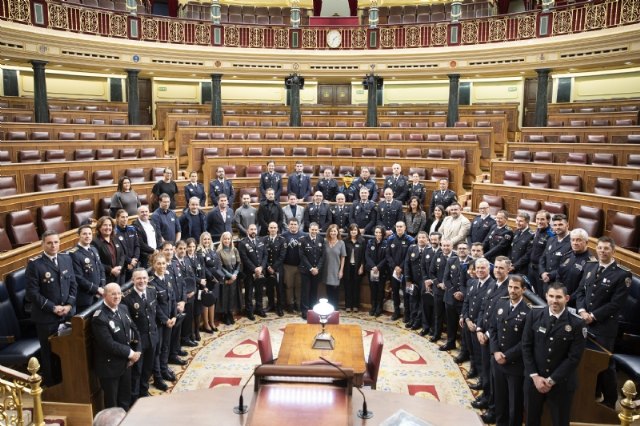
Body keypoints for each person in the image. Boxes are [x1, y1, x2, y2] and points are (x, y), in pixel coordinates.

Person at [574, 236, 630, 409]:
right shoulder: (590, 266)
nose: (602, 251)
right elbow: (581, 291)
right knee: (586, 360)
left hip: (603, 326)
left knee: (605, 364)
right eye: (599, 248)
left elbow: (616, 304)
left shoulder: (622, 275)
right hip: (585, 320)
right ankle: (592, 392)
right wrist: (582, 311)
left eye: (606, 249)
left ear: (613, 251)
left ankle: (610, 401)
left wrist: (593, 316)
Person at [522, 282, 587, 426]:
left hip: (561, 384)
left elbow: (574, 358)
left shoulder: (577, 323)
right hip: (534, 381)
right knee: (531, 420)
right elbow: (526, 346)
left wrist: (551, 380)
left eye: (559, 297)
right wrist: (535, 376)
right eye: (551, 296)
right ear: (546, 296)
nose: (554, 300)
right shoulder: (534, 314)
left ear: (567, 298)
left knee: (560, 421)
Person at [25, 230, 78, 386]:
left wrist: (69, 304)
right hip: (46, 318)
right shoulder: (35, 265)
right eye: (49, 242)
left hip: (67, 314)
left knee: (67, 351)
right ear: (43, 244)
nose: (53, 245)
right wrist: (53, 308)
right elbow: (32, 293)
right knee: (49, 354)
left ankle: (67, 383)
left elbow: (73, 284)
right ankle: (52, 386)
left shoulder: (66, 259)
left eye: (55, 242)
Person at [472, 256, 512, 423]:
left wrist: (487, 334)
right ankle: (487, 398)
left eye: (501, 268)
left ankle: (493, 410)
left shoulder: (508, 288)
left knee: (496, 380)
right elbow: (483, 308)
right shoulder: (492, 285)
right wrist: (480, 328)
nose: (497, 270)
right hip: (484, 335)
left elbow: (500, 318)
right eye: (496, 267)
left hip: (495, 340)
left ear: (509, 270)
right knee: (487, 373)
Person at [487, 275, 530, 426]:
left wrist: (507, 356)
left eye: (516, 288)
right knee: (499, 399)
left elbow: (525, 341)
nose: (512, 290)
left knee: (514, 404)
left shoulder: (528, 312)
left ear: (523, 290)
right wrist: (495, 352)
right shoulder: (501, 303)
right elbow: (492, 329)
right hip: (497, 362)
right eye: (510, 287)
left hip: (515, 365)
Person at [92, 282, 141, 410]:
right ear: (104, 296)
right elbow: (109, 344)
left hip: (126, 363)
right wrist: (131, 354)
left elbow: (134, 329)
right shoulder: (99, 317)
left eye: (119, 293)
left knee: (125, 399)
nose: (117, 296)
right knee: (112, 404)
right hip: (110, 367)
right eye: (113, 294)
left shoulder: (123, 308)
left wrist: (138, 351)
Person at [122, 268, 157, 402]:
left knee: (148, 368)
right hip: (138, 341)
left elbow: (153, 315)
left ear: (148, 279)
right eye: (138, 278)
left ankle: (144, 392)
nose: (142, 281)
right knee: (137, 372)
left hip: (152, 337)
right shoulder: (127, 298)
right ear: (133, 280)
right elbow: (130, 323)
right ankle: (135, 399)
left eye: (144, 278)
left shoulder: (152, 291)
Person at [461, 258, 495, 392]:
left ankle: (483, 381)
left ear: (489, 269)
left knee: (482, 358)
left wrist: (476, 325)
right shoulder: (472, 282)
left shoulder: (492, 285)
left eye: (483, 268)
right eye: (478, 268)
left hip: (481, 328)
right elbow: (467, 302)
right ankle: (474, 371)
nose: (480, 270)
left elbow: (488, 310)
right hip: (469, 324)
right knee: (472, 352)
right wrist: (466, 318)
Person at [148, 252, 177, 391]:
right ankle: (158, 377)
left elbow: (172, 299)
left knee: (166, 346)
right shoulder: (151, 283)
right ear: (153, 265)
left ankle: (164, 370)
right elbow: (156, 306)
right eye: (158, 263)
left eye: (163, 263)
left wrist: (174, 316)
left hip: (170, 320)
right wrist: (166, 320)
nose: (161, 266)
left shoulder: (168, 277)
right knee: (158, 350)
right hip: (159, 323)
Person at [441, 242, 471, 353]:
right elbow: (446, 279)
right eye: (459, 248)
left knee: (463, 326)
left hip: (465, 300)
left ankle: (464, 350)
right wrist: (455, 292)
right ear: (456, 250)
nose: (462, 250)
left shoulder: (472, 262)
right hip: (450, 298)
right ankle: (450, 343)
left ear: (468, 250)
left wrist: (462, 294)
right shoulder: (451, 261)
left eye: (464, 248)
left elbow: (472, 281)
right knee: (451, 322)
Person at [70, 225, 105, 313]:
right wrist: (96, 289)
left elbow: (101, 268)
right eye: (84, 234)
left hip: (99, 294)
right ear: (78, 236)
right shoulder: (74, 253)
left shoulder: (93, 249)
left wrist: (102, 286)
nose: (88, 236)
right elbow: (78, 277)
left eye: (89, 234)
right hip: (85, 298)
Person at [386, 221, 415, 321]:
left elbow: (409, 256)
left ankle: (407, 314)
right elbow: (388, 255)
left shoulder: (410, 240)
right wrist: (395, 267)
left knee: (406, 293)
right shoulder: (390, 239)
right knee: (395, 292)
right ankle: (396, 311)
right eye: (397, 226)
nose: (399, 228)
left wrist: (400, 267)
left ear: (405, 227)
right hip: (393, 271)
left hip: (405, 271)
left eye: (401, 226)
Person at [239, 224, 267, 320]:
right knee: (249, 293)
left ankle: (259, 309)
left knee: (259, 291)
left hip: (260, 271)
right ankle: (249, 311)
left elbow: (265, 255)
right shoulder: (243, 243)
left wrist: (261, 267)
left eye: (255, 229)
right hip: (249, 272)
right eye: (251, 229)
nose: (253, 231)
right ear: (247, 231)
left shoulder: (261, 241)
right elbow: (244, 258)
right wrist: (254, 269)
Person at [558, 228, 594, 299]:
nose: (575, 243)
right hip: (561, 297)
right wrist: (558, 293)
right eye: (573, 240)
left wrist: (569, 298)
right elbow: (558, 275)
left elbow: (583, 287)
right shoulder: (566, 255)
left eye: (579, 240)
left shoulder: (591, 262)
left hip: (575, 302)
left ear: (586, 242)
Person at [299, 222, 325, 320]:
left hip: (317, 271)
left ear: (318, 230)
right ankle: (305, 311)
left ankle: (313, 309)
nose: (314, 231)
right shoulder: (303, 240)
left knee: (314, 291)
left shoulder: (321, 240)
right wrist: (311, 268)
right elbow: (302, 256)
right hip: (306, 270)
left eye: (315, 230)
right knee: (305, 291)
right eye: (312, 229)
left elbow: (323, 256)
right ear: (309, 229)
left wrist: (317, 268)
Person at [539, 214, 572, 292]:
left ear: (567, 225)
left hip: (559, 284)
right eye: (555, 225)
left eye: (560, 224)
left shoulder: (572, 242)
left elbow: (567, 266)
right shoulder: (551, 239)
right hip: (546, 281)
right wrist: (542, 272)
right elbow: (543, 258)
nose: (557, 227)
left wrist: (550, 275)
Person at [198, 232, 224, 329]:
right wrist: (211, 277)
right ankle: (206, 324)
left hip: (215, 280)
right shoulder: (200, 252)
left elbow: (219, 264)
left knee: (212, 301)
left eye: (208, 239)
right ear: (201, 240)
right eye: (205, 239)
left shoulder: (213, 250)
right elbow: (203, 267)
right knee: (206, 301)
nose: (207, 241)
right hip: (207, 280)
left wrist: (218, 275)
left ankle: (212, 322)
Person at [404, 231, 429, 331]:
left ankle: (418, 322)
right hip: (413, 280)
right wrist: (407, 279)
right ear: (417, 239)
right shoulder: (411, 248)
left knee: (422, 302)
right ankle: (412, 319)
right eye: (420, 237)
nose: (421, 239)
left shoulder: (430, 250)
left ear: (427, 240)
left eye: (424, 237)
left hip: (424, 281)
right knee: (413, 301)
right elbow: (407, 264)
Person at [185, 238, 208, 341]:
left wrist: (203, 284)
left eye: (193, 246)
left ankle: (197, 331)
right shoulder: (185, 259)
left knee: (198, 311)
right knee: (191, 312)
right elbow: (189, 275)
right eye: (189, 246)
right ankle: (191, 334)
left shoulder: (198, 257)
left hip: (199, 289)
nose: (191, 249)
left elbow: (202, 270)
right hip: (191, 289)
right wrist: (199, 281)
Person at [93, 216, 126, 285]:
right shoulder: (95, 242)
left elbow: (122, 254)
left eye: (110, 225)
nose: (108, 227)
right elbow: (96, 262)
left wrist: (120, 266)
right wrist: (111, 270)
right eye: (105, 225)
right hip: (106, 278)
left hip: (119, 275)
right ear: (99, 227)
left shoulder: (115, 238)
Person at [282, 217, 306, 313]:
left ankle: (298, 304)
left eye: (295, 224)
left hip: (300, 266)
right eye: (291, 224)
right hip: (288, 266)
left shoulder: (304, 236)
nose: (293, 226)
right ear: (288, 225)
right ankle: (290, 304)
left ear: (298, 225)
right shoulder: (283, 236)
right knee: (289, 286)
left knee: (299, 286)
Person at [217, 231, 241, 325]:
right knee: (225, 297)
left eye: (228, 239)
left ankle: (230, 313)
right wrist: (230, 276)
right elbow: (220, 267)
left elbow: (239, 263)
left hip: (234, 277)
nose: (227, 240)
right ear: (222, 240)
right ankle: (225, 315)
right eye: (225, 239)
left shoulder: (234, 250)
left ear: (231, 240)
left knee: (232, 296)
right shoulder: (219, 252)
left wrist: (235, 274)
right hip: (225, 278)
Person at [264, 221, 286, 317]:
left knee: (279, 288)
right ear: (268, 229)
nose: (273, 229)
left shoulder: (282, 240)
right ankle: (270, 305)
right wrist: (268, 266)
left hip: (278, 268)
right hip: (267, 268)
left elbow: (282, 256)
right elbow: (263, 255)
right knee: (269, 288)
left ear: (277, 229)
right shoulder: (264, 240)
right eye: (271, 227)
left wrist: (273, 267)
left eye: (274, 227)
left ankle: (279, 307)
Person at [365, 226, 388, 317]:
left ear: (383, 233)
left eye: (380, 232)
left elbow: (387, 257)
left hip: (381, 270)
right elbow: (367, 255)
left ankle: (379, 307)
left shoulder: (386, 243)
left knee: (380, 290)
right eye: (376, 232)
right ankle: (373, 306)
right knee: (373, 289)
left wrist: (378, 267)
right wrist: (373, 266)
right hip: (371, 270)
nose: (378, 234)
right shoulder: (370, 242)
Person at [322, 224, 345, 310]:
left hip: (336, 270)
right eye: (331, 231)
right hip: (326, 270)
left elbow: (343, 258)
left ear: (337, 232)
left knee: (335, 291)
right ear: (329, 232)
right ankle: (329, 308)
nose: (333, 233)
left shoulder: (341, 243)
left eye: (334, 231)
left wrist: (341, 270)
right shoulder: (325, 242)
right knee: (328, 290)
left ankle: (335, 308)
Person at [343, 224, 365, 312]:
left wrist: (362, 266)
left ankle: (355, 305)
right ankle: (348, 305)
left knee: (356, 287)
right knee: (347, 287)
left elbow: (364, 255)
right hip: (347, 267)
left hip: (357, 267)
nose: (353, 231)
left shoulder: (362, 241)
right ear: (349, 231)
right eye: (352, 230)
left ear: (358, 231)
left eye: (355, 230)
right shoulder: (345, 241)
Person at [114, 209, 140, 282]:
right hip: (123, 266)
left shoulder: (132, 229)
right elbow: (119, 251)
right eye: (122, 217)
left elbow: (137, 246)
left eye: (126, 217)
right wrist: (129, 261)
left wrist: (135, 260)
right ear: (117, 218)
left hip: (134, 263)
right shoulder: (114, 233)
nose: (125, 219)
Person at [510, 212, 534, 276]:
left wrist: (515, 266)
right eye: (517, 220)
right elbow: (512, 249)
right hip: (511, 266)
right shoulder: (517, 231)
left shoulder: (531, 235)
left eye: (520, 221)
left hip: (521, 269)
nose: (517, 223)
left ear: (527, 222)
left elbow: (528, 255)